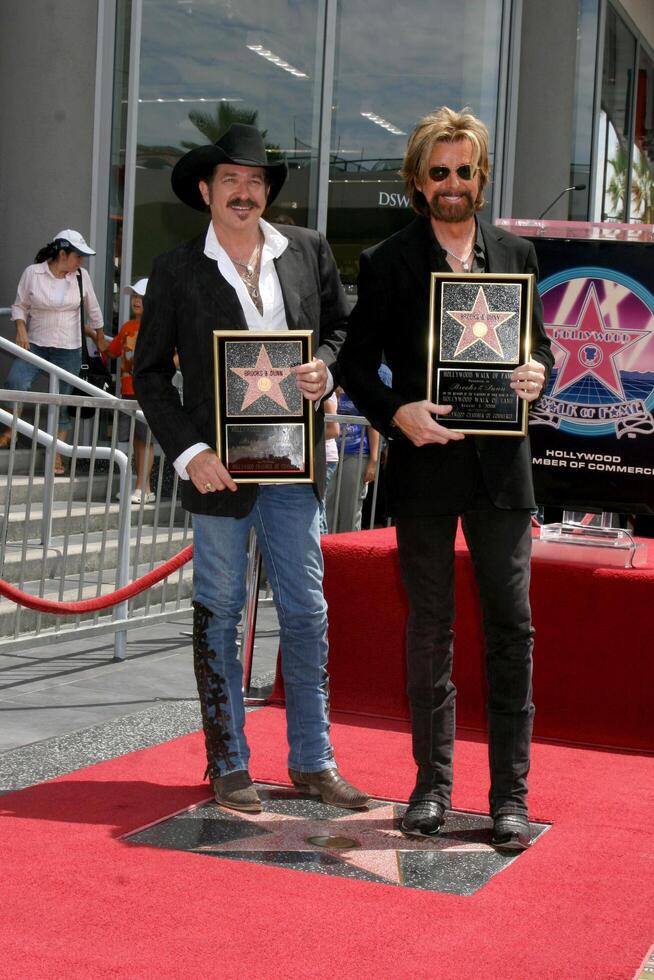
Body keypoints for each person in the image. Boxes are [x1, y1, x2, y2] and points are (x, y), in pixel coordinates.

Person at [133, 124, 369, 813]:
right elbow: (148, 376)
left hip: (295, 467)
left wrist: (325, 367)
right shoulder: (176, 269)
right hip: (217, 475)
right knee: (221, 611)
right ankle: (229, 763)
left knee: (306, 611)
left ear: (268, 193)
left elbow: (343, 329)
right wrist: (190, 453)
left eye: (256, 181)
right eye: (231, 180)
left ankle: (312, 760)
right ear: (206, 192)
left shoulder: (308, 251)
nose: (245, 192)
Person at [338, 107, 554, 850]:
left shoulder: (517, 254)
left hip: (502, 475)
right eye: (439, 172)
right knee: (429, 631)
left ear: (481, 177)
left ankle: (511, 798)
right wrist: (399, 413)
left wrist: (536, 374)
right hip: (426, 468)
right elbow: (356, 366)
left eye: (465, 170)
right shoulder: (389, 261)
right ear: (417, 182)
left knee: (511, 632)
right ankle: (431, 785)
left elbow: (541, 352)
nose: (453, 183)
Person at [1, 230, 103, 473]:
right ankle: (9, 430)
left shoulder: (81, 276)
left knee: (62, 401)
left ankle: (57, 454)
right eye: (77, 256)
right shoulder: (33, 273)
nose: (81, 261)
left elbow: (94, 309)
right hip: (36, 343)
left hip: (69, 348)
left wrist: (100, 339)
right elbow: (20, 305)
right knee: (16, 382)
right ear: (62, 253)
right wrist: (20, 328)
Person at [90, 278, 155, 504]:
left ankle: (142, 487)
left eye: (141, 297)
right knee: (132, 441)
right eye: (134, 297)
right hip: (128, 391)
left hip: (150, 392)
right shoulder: (127, 327)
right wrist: (92, 334)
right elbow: (112, 351)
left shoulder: (159, 325)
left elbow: (179, 353)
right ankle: (140, 486)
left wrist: (166, 366)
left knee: (145, 440)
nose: (136, 301)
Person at [326, 363, 391, 533]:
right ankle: (328, 552)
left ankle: (347, 553)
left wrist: (373, 460)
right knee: (328, 507)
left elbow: (372, 423)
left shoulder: (365, 384)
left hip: (357, 453)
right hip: (332, 453)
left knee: (350, 508)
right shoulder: (331, 383)